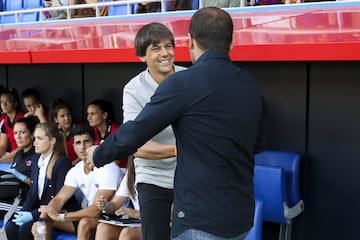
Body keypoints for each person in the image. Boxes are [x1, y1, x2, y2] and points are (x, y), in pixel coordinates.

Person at [87, 7, 265, 240]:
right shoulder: (250, 85)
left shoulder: (183, 82)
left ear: (189, 41)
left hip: (199, 217)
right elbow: (258, 144)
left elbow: (133, 135)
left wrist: (99, 154)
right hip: (239, 217)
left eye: (167, 46)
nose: (164, 53)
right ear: (231, 43)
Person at [116, 22, 185, 240]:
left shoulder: (190, 78)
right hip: (152, 176)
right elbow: (137, 147)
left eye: (168, 46)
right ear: (141, 56)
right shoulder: (133, 89)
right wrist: (182, 149)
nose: (165, 53)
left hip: (189, 174)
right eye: (156, 48)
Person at [37, 125, 124, 240]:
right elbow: (60, 198)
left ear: (94, 143)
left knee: (84, 223)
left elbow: (96, 210)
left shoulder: (108, 168)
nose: (82, 147)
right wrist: (46, 214)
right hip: (91, 217)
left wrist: (62, 217)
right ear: (73, 146)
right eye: (78, 143)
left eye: (86, 141)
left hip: (114, 218)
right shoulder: (75, 170)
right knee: (44, 222)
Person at [5, 122, 80, 240]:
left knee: (26, 229)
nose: (34, 142)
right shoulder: (36, 160)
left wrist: (33, 215)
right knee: (11, 226)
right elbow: (32, 194)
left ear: (52, 141)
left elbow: (58, 200)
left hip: (60, 213)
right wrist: (24, 211)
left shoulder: (61, 163)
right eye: (35, 138)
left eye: (39, 138)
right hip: (42, 211)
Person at [95, 156, 141, 240]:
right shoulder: (131, 174)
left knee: (127, 234)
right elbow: (115, 204)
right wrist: (105, 205)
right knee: (103, 228)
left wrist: (137, 213)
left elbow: (170, 213)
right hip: (138, 223)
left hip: (159, 223)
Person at [1, 117, 40, 203]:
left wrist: (22, 177)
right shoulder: (18, 154)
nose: (18, 137)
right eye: (15, 133)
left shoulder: (37, 155)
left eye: (22, 132)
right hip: (13, 194)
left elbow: (40, 186)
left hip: (27, 200)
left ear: (32, 134)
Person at [87, 99, 127, 168]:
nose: (89, 118)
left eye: (93, 114)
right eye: (88, 114)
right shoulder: (93, 131)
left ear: (104, 115)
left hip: (120, 170)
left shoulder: (117, 131)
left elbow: (118, 160)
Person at [49, 98, 79, 164]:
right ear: (56, 119)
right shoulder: (55, 133)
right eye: (62, 116)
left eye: (69, 114)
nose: (67, 118)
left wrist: (71, 165)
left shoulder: (79, 129)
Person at [0, 88, 24, 162]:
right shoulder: (5, 121)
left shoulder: (22, 119)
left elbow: (22, 147)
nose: (4, 105)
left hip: (23, 156)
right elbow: (3, 145)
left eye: (8, 101)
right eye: (2, 102)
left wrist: (1, 160)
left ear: (15, 103)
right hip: (11, 156)